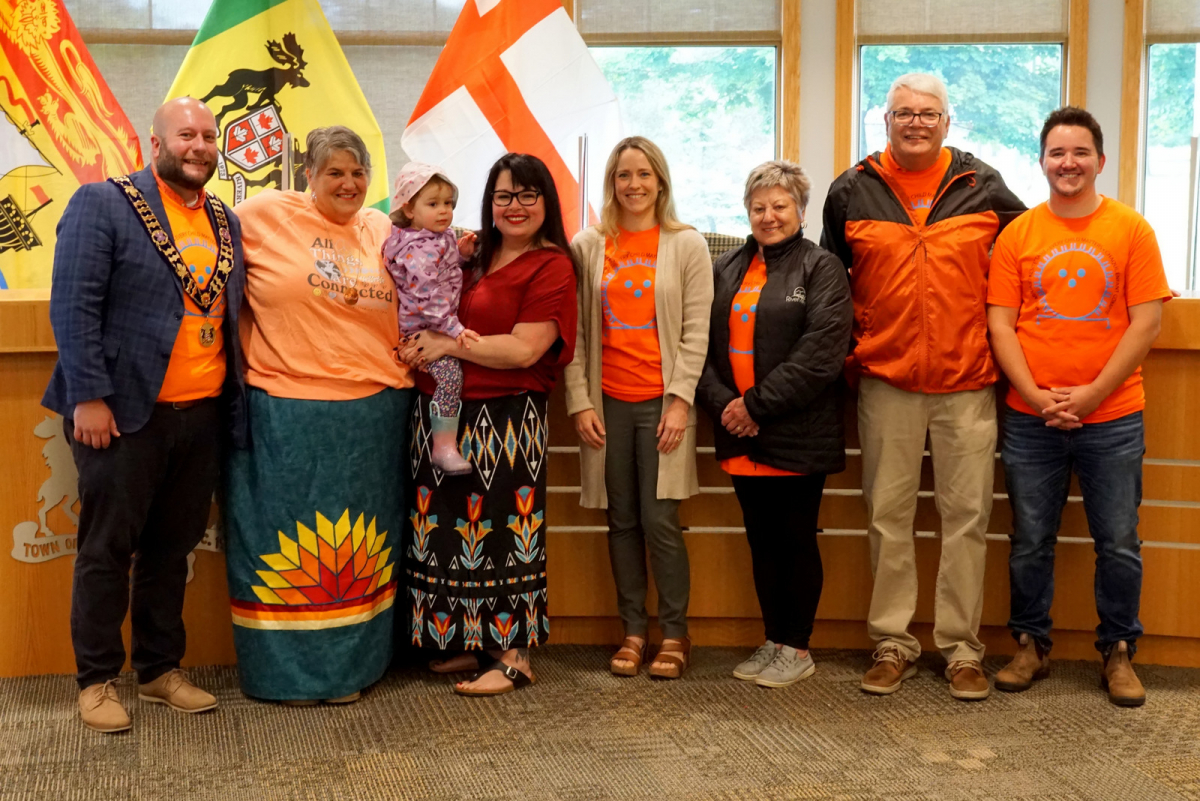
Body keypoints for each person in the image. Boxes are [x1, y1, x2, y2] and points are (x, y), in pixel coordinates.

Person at [42, 97, 245, 732]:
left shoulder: (224, 218)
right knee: (108, 549)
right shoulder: (103, 204)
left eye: (209, 136)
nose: (200, 146)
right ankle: (97, 681)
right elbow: (72, 308)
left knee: (171, 550)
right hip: (123, 413)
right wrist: (89, 397)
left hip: (202, 413)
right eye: (186, 134)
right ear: (153, 141)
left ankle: (159, 671)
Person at [821, 72, 1026, 700]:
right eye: (903, 112)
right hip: (886, 383)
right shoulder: (852, 190)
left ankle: (962, 649)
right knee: (888, 517)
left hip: (968, 382)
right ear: (884, 121)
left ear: (947, 121)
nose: (916, 122)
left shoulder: (983, 185)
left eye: (928, 113)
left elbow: (1031, 260)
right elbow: (830, 285)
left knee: (966, 518)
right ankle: (892, 642)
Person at [987, 107, 1171, 707]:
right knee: (1029, 539)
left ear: (1100, 160)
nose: (1069, 163)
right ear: (1041, 161)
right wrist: (1039, 398)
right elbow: (1001, 324)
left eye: (1080, 153)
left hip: (1113, 414)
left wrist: (1091, 395)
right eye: (1057, 153)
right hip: (1029, 415)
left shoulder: (1132, 230)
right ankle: (1030, 646)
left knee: (1118, 540)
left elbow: (1147, 323)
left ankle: (1118, 653)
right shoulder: (1019, 234)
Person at [224, 126, 414, 705]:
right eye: (335, 171)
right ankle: (286, 676)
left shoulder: (383, 227)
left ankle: (353, 670)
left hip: (376, 416)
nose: (349, 183)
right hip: (285, 412)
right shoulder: (261, 214)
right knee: (285, 546)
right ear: (308, 174)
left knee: (362, 547)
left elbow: (432, 274)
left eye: (358, 173)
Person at [398, 153, 578, 696]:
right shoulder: (471, 252)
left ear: (547, 201)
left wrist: (447, 345)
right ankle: (470, 640)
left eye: (527, 195)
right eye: (504, 195)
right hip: (439, 412)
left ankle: (513, 653)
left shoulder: (552, 266)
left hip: (505, 419)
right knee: (449, 531)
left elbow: (526, 349)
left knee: (500, 531)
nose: (515, 206)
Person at [696, 160, 852, 688]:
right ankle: (773, 638)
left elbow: (820, 356)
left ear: (801, 211)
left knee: (795, 539)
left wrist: (754, 407)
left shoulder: (822, 268)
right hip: (738, 430)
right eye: (759, 207)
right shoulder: (727, 267)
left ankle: (798, 645)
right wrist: (726, 406)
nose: (769, 216)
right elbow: (701, 347)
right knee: (761, 541)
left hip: (794, 430)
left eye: (780, 206)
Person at [565, 136, 713, 679]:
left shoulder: (686, 244)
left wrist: (679, 402)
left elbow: (697, 332)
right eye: (624, 175)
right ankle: (632, 630)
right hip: (606, 405)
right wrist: (580, 402)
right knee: (620, 519)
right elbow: (576, 333)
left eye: (644, 174)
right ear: (611, 183)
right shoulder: (589, 244)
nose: (634, 184)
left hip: (662, 404)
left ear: (661, 181)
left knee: (660, 520)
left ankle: (675, 634)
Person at [383, 162, 478, 475]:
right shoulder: (417, 249)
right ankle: (444, 448)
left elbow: (445, 271)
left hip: (434, 325)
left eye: (448, 203)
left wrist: (461, 255)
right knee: (451, 377)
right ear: (409, 209)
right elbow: (428, 298)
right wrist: (455, 329)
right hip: (421, 329)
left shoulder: (438, 237)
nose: (444, 211)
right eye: (433, 204)